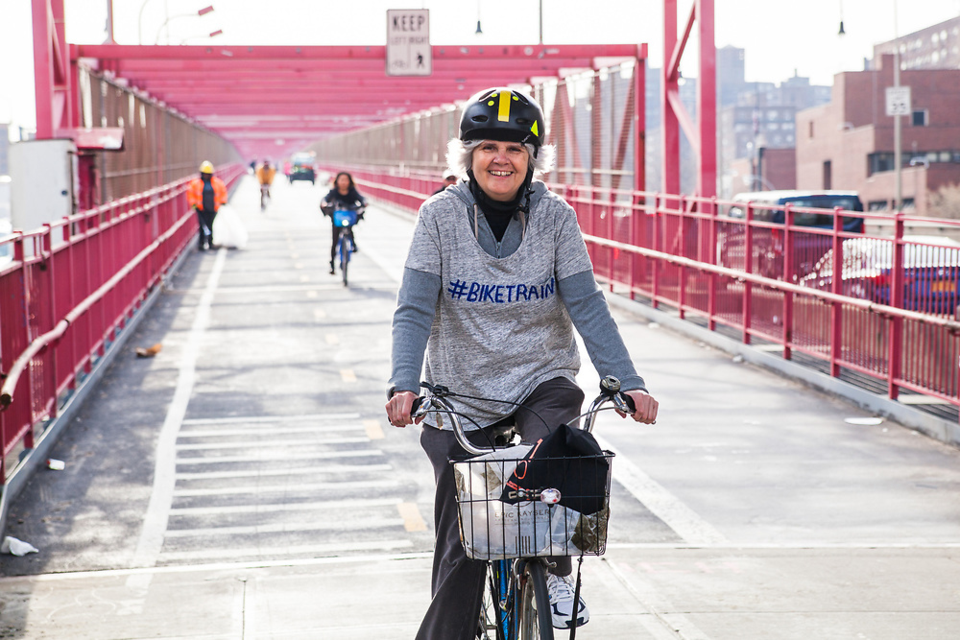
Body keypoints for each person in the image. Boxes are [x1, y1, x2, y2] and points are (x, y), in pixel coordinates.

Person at [384, 87, 659, 639]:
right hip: (457, 394)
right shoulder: (438, 218)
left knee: (552, 459)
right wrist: (404, 384)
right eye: (487, 146)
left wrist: (627, 382)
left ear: (533, 158)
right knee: (466, 538)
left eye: (515, 148)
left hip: (541, 380)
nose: (501, 158)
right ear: (468, 156)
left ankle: (556, 574)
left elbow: (587, 305)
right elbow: (413, 308)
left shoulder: (557, 219)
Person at [320, 172, 367, 275]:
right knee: (335, 240)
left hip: (349, 217)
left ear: (349, 181)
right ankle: (332, 264)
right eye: (341, 180)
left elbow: (361, 198)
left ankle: (353, 245)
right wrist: (324, 203)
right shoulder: (334, 192)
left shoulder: (352, 191)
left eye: (346, 180)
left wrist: (364, 202)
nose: (344, 182)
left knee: (350, 229)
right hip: (337, 219)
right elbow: (325, 199)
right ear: (337, 181)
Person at [186, 161, 228, 251]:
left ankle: (210, 243)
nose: (206, 175)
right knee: (202, 226)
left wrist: (223, 201)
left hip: (213, 208)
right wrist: (193, 204)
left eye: (208, 174)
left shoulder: (217, 183)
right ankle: (201, 244)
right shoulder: (195, 183)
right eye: (205, 174)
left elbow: (223, 192)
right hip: (201, 208)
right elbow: (191, 194)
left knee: (210, 225)